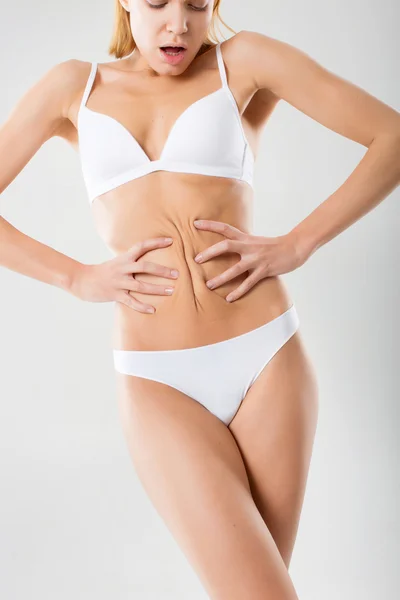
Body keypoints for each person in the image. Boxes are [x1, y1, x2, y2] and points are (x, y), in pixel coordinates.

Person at [1, 1, 399, 598]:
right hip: (158, 381)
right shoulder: (73, 87)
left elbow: (390, 134)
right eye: (158, 3)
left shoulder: (242, 62)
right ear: (125, 3)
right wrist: (76, 277)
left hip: (268, 360)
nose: (178, 25)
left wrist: (298, 243)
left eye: (195, 4)